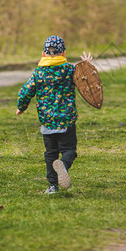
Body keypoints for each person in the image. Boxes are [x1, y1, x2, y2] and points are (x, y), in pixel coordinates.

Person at [16, 35, 92, 194]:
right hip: (66, 121)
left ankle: (52, 187)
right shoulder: (69, 70)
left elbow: (25, 92)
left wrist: (21, 107)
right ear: (63, 53)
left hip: (47, 122)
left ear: (43, 54)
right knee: (69, 149)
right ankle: (63, 164)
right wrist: (86, 65)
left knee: (50, 154)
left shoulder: (38, 73)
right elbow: (86, 81)